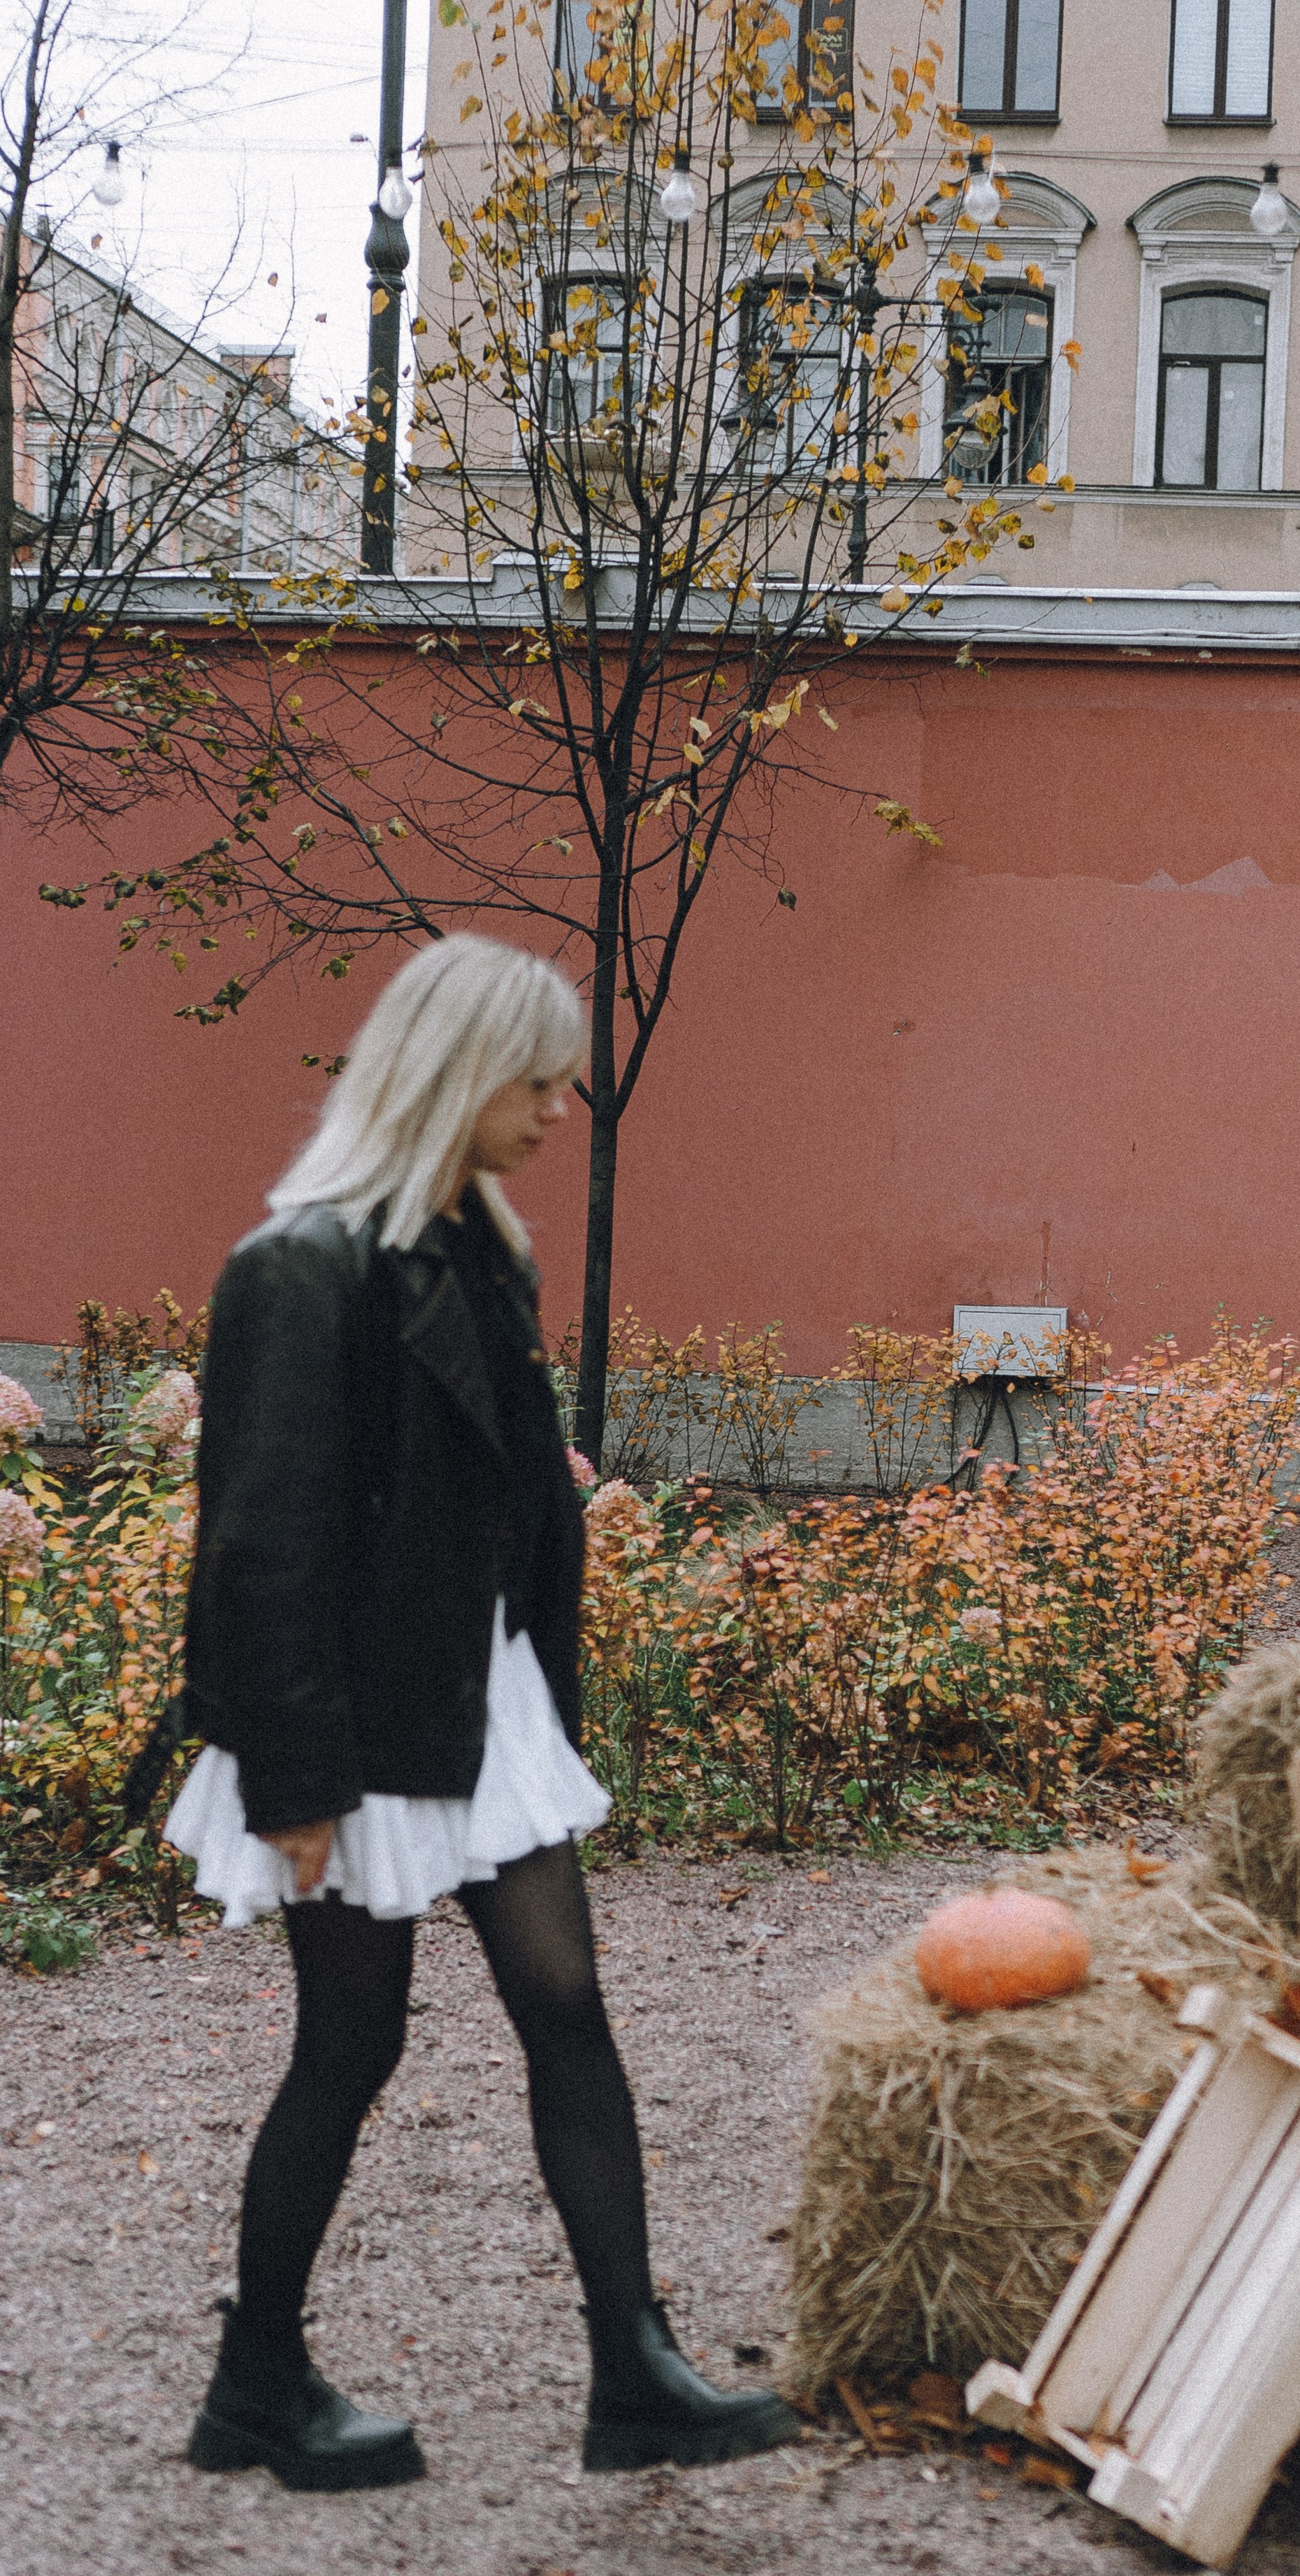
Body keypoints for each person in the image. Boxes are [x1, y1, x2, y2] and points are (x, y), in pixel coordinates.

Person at [164, 932, 800, 2491]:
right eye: (537, 1077)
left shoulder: (478, 1253)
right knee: (349, 2043)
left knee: (564, 2008)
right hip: (356, 1726)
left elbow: (515, 1508)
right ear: (457, 1079)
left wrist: (546, 1696)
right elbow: (262, 1544)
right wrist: (295, 1779)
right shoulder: (299, 1267)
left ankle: (633, 2369)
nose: (560, 1104)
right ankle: (258, 2380)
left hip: (480, 1702)